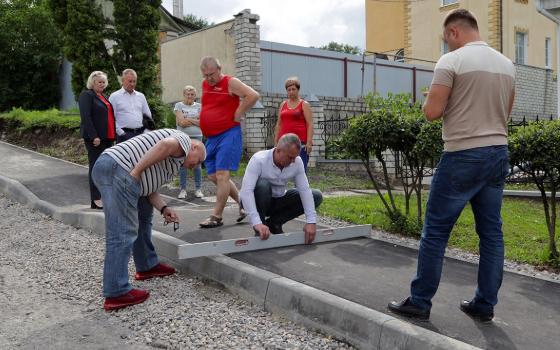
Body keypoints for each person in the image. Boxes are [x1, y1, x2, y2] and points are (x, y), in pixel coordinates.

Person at [388, 9, 515, 322]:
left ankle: (420, 301)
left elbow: (432, 112)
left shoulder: (451, 61)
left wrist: (428, 101)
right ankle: (484, 305)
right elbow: (506, 114)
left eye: (447, 40)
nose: (447, 46)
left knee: (435, 231)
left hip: (462, 155)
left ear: (455, 32)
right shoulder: (507, 65)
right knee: (491, 233)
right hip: (498, 152)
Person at [91, 128, 206, 311]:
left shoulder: (174, 162)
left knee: (144, 215)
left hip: (115, 168)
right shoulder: (183, 140)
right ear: (193, 148)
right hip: (120, 169)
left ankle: (147, 265)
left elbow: (148, 188)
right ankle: (116, 292)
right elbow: (165, 145)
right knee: (121, 232)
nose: (197, 166)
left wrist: (164, 208)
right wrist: (137, 171)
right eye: (199, 160)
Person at [198, 56, 260, 228]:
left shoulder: (230, 82)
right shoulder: (205, 85)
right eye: (205, 75)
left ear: (219, 69)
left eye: (211, 74)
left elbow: (253, 95)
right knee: (212, 175)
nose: (209, 78)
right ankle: (244, 203)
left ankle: (216, 216)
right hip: (211, 137)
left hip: (228, 134)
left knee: (222, 175)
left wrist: (239, 111)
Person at [239, 133, 323, 243]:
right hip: (259, 199)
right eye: (290, 157)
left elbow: (304, 190)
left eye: (295, 157)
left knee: (316, 195)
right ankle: (261, 228)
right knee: (263, 185)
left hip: (278, 199)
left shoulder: (297, 162)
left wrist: (311, 222)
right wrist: (256, 222)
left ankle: (274, 223)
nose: (293, 161)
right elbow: (246, 192)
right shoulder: (259, 160)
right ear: (278, 150)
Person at [78, 71, 116, 210]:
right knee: (96, 167)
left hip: (108, 138)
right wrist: (94, 136)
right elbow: (86, 117)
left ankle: (104, 197)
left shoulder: (104, 96)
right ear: (92, 83)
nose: (101, 84)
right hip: (96, 139)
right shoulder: (86, 95)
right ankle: (95, 199)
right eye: (98, 82)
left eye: (103, 82)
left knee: (106, 168)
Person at [274, 77, 314, 172]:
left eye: (293, 89)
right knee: (281, 168)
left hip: (300, 143)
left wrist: (309, 143)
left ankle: (301, 187)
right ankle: (281, 187)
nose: (291, 92)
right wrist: (276, 141)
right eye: (289, 90)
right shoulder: (283, 104)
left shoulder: (304, 104)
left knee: (300, 170)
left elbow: (310, 124)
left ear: (298, 90)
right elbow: (278, 124)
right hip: (284, 143)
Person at [174, 85, 203, 199]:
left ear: (195, 96)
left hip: (197, 137)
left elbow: (202, 123)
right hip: (183, 137)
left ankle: (198, 189)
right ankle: (182, 189)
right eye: (188, 94)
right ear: (184, 95)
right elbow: (181, 123)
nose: (190, 96)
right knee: (183, 163)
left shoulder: (200, 106)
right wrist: (195, 120)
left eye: (192, 94)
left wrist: (188, 119)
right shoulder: (178, 105)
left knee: (197, 163)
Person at [109, 68, 153, 143]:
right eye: (130, 81)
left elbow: (147, 115)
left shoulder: (141, 96)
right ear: (122, 81)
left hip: (141, 134)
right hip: (124, 135)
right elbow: (110, 117)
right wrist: (121, 133)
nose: (132, 84)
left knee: (143, 155)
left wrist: (146, 131)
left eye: (134, 81)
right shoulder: (114, 96)